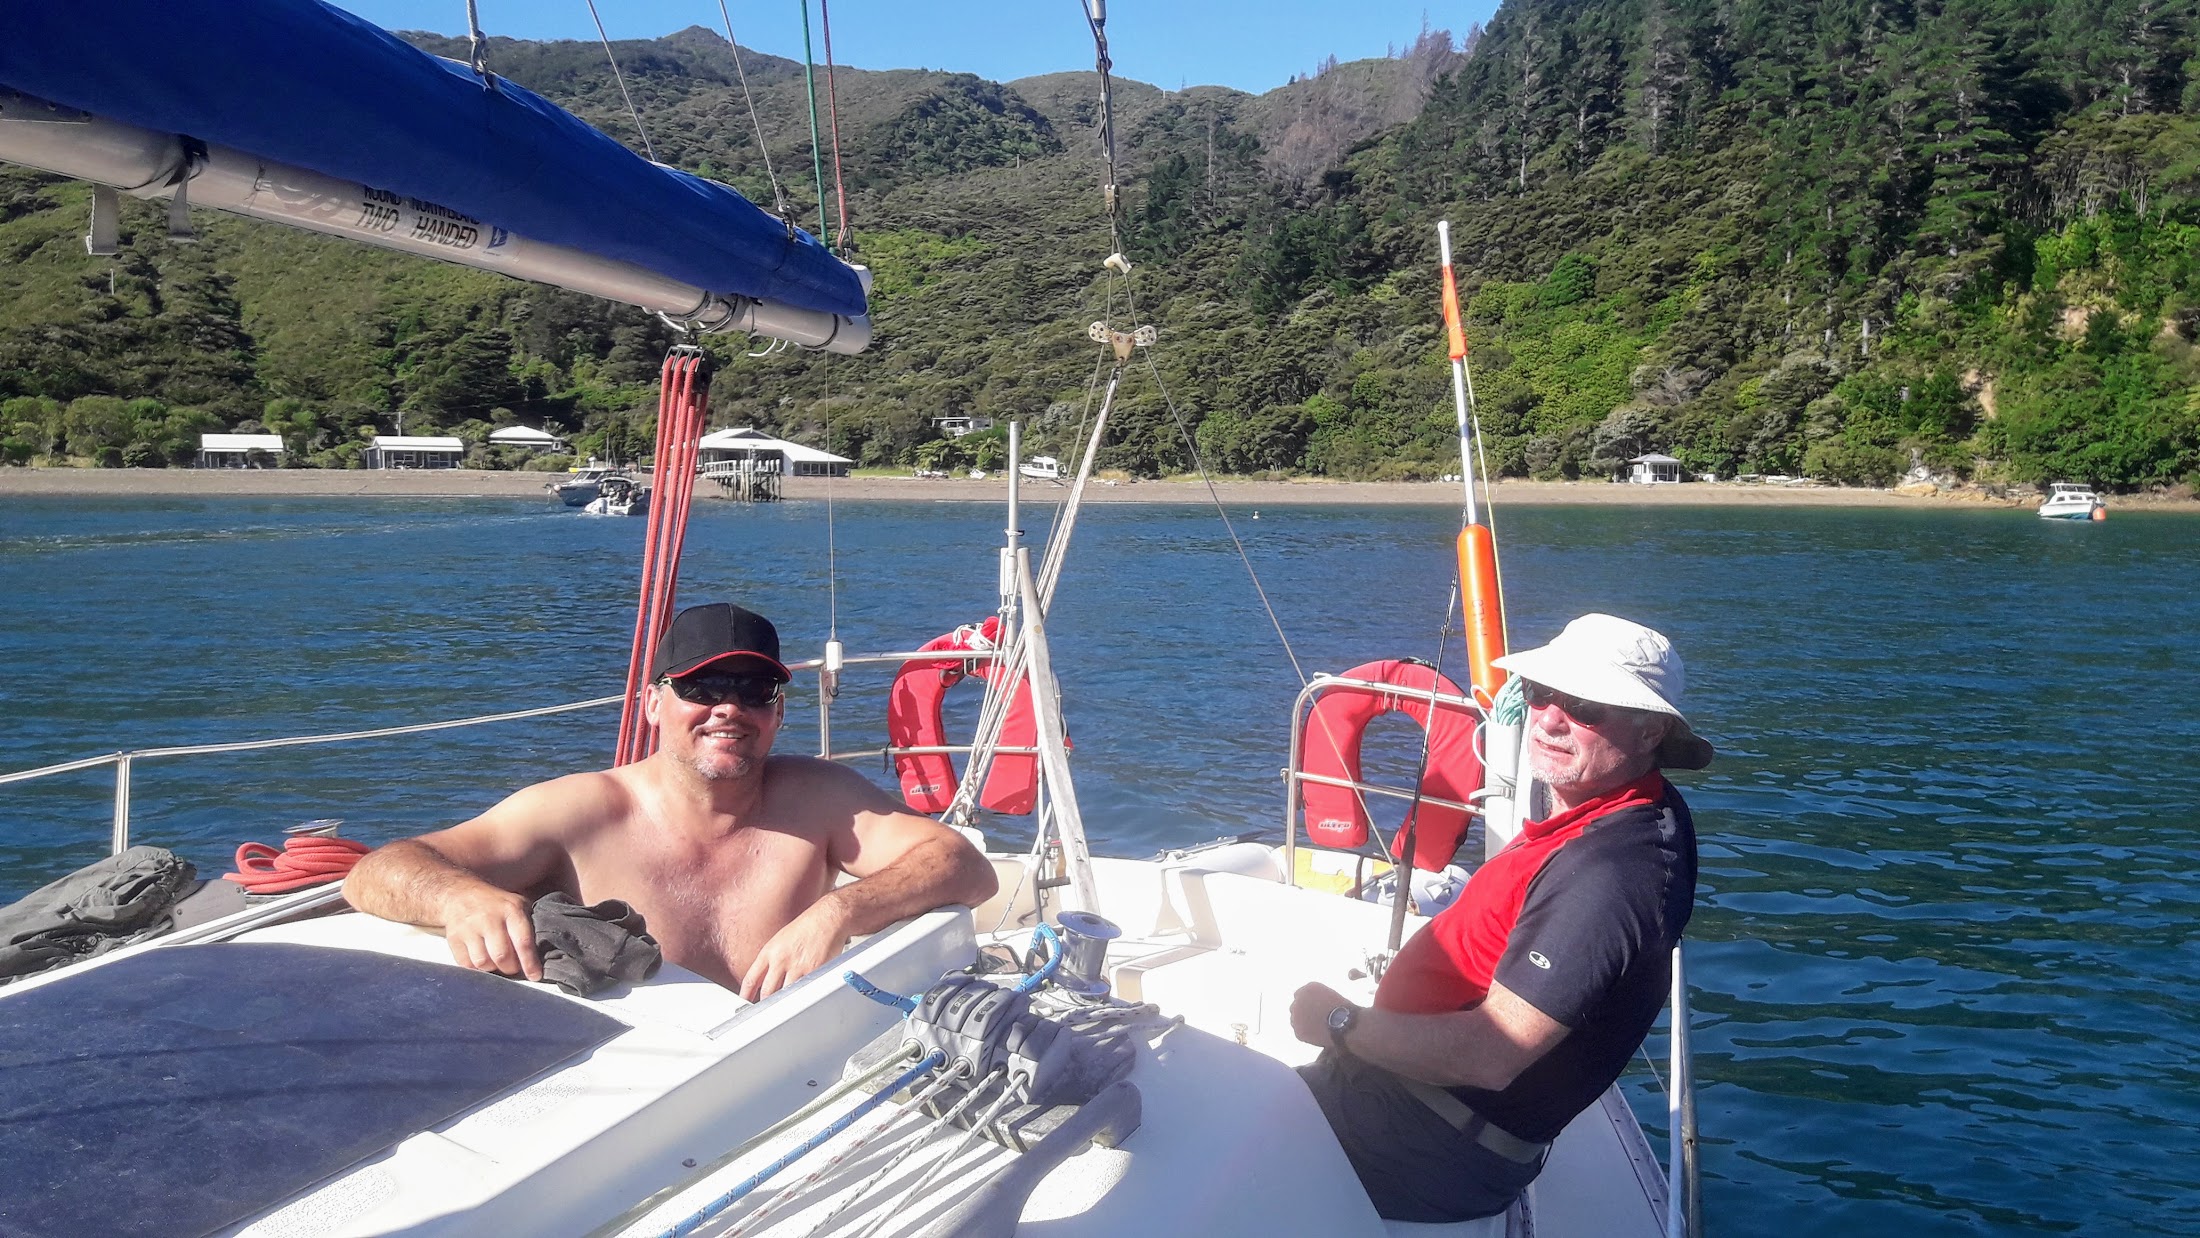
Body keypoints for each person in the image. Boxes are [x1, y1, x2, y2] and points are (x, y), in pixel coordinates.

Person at [343, 602, 998, 1001]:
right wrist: (460, 898)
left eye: (754, 692)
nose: (729, 708)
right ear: (654, 703)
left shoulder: (820, 798)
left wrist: (839, 909)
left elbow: (966, 866)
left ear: (777, 713)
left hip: (777, 1068)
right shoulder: (580, 812)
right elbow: (377, 870)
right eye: (703, 688)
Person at [1289, 613, 1712, 1222]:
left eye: (1585, 706)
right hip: (1415, 1108)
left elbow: (1490, 1055)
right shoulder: (1623, 808)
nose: (1549, 719)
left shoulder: (1613, 874)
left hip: (1425, 1141)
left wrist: (1338, 1022)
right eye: (1541, 693)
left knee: (1189, 1122)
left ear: (1651, 732)